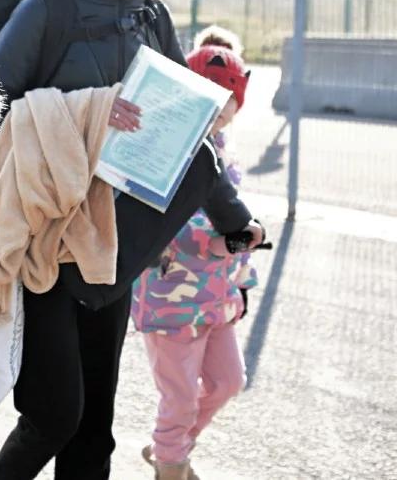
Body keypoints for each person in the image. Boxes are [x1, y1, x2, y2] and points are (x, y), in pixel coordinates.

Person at [0, 0, 265, 479]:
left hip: (116, 240)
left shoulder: (151, 16)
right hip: (45, 239)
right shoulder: (47, 11)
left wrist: (234, 219)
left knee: (95, 433)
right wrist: (85, 112)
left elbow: (182, 128)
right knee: (53, 415)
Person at [132, 37, 258, 480]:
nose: (219, 113)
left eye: (228, 105)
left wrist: (243, 270)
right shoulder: (165, 149)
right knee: (180, 396)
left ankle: (170, 445)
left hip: (216, 297)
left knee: (228, 382)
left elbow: (234, 216)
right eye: (211, 101)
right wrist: (235, 240)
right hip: (171, 298)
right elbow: (174, 228)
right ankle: (171, 462)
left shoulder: (223, 150)